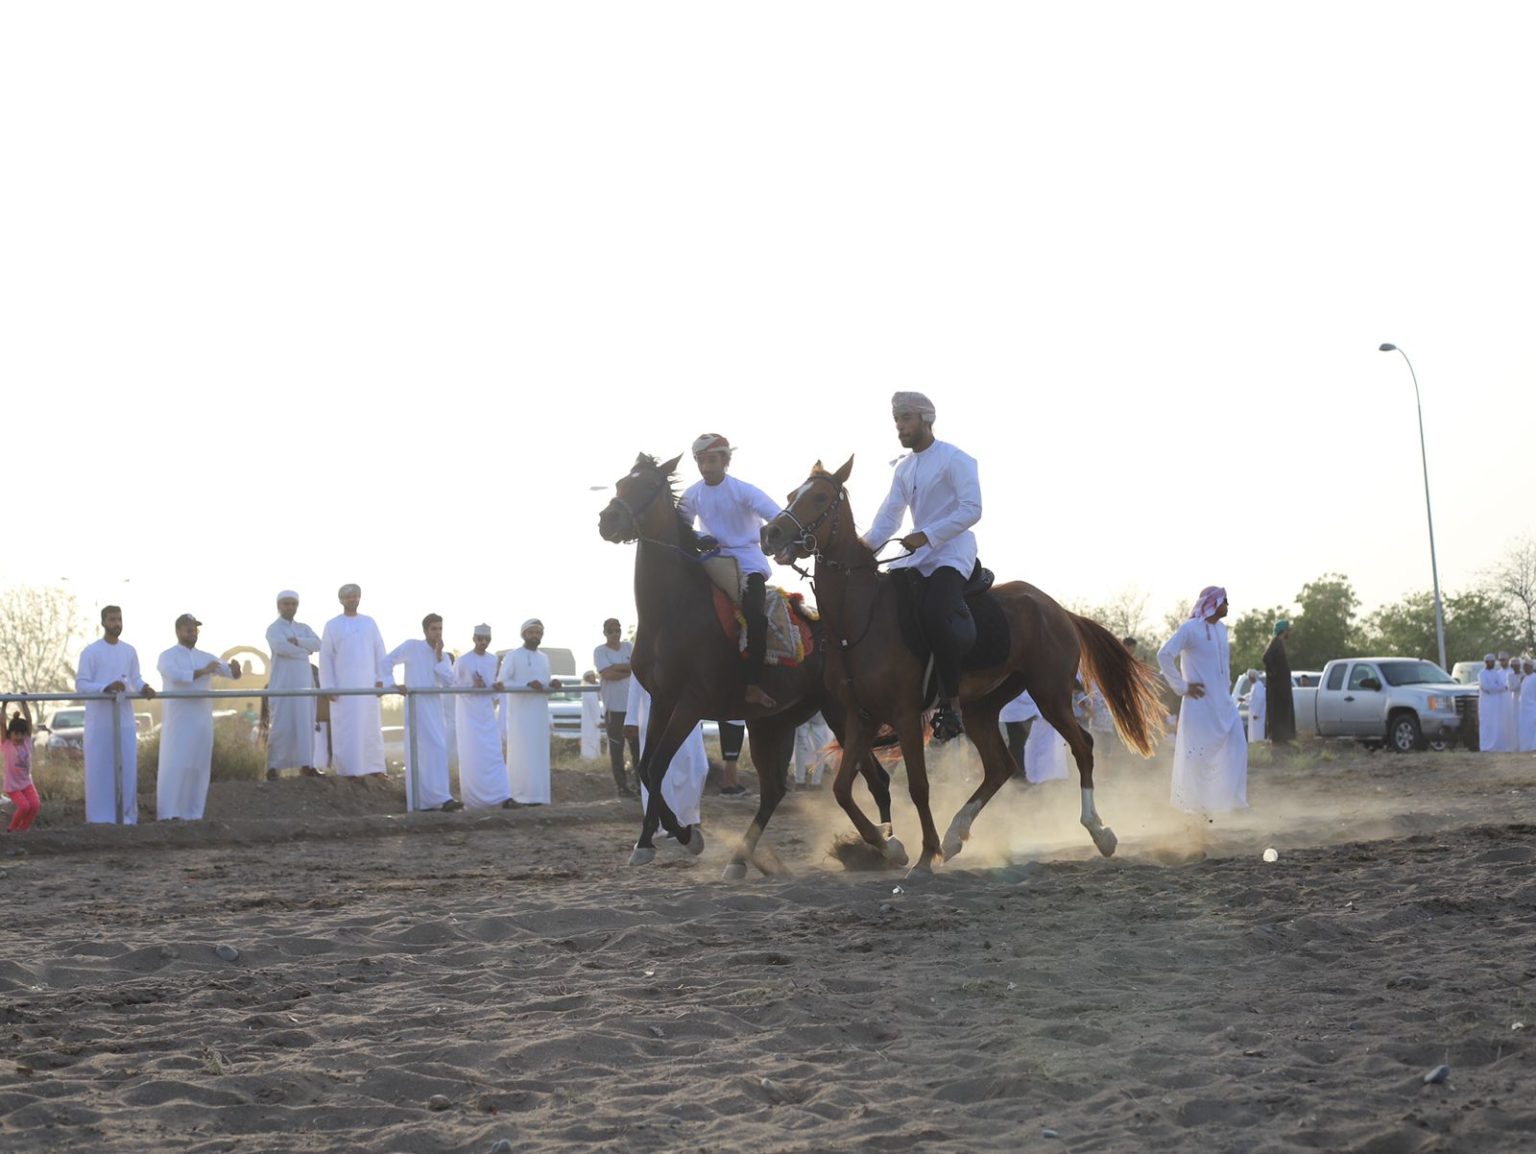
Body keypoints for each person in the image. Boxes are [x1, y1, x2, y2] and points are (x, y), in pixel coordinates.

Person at [861, 391, 982, 742]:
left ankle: (950, 704)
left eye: (906, 419)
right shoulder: (904, 468)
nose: (900, 426)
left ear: (926, 420)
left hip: (951, 553)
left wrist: (927, 534)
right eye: (897, 420)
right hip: (917, 555)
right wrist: (862, 550)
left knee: (933, 612)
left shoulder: (955, 458)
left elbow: (972, 508)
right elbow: (888, 518)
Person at [678, 433, 782, 708]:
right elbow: (680, 529)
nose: (705, 467)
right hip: (712, 562)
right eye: (700, 461)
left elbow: (778, 517)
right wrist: (700, 538)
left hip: (748, 563)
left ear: (725, 460)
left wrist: (775, 540)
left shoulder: (744, 491)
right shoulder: (692, 495)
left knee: (754, 617)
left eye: (711, 460)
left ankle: (753, 684)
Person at [1157, 586, 1248, 815]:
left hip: (1224, 703)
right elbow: (1164, 655)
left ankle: (1232, 801)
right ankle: (1196, 806)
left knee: (1238, 746)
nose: (1228, 605)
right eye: (1225, 600)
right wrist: (1182, 687)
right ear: (1213, 603)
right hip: (1199, 704)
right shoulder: (1190, 629)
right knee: (1198, 755)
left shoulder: (1222, 630)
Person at [156, 614, 242, 821]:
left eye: (195, 629)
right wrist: (204, 671)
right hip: (178, 722)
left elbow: (229, 673)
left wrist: (235, 670)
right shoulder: (167, 656)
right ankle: (169, 813)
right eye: (188, 629)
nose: (193, 633)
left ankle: (193, 814)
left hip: (201, 722)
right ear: (178, 631)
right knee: (175, 765)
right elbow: (176, 676)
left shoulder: (205, 656)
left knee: (199, 767)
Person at [76, 605, 156, 824]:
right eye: (112, 619)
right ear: (103, 622)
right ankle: (99, 820)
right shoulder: (91, 652)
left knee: (127, 770)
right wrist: (106, 687)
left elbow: (135, 678)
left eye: (119, 619)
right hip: (99, 724)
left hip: (125, 721)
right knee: (100, 772)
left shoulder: (129, 651)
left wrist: (144, 687)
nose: (117, 624)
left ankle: (126, 818)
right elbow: (81, 685)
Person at [385, 613, 460, 812]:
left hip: (434, 707)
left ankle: (441, 798)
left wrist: (439, 656)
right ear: (425, 630)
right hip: (416, 706)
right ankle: (422, 802)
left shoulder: (443, 656)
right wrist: (392, 684)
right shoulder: (412, 646)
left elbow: (449, 681)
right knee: (419, 752)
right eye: (434, 629)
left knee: (438, 750)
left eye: (440, 629)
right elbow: (387, 661)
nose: (438, 633)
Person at [319, 584, 388, 778]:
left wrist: (381, 679)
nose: (352, 599)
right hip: (343, 688)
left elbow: (379, 650)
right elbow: (326, 657)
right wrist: (328, 686)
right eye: (349, 596)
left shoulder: (369, 623)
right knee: (346, 729)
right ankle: (348, 770)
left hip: (367, 685)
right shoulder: (332, 625)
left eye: (355, 596)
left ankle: (374, 768)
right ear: (341, 600)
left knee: (370, 727)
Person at [625, 673, 708, 830]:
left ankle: (688, 817)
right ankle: (665, 824)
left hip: (688, 710)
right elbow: (636, 677)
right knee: (663, 772)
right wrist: (631, 718)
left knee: (699, 768)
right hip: (656, 713)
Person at [454, 625, 515, 809]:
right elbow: (453, 686)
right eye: (480, 639)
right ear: (473, 639)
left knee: (494, 754)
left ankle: (503, 797)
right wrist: (472, 686)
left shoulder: (492, 660)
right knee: (473, 756)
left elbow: (492, 691)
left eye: (486, 639)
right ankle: (474, 801)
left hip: (487, 714)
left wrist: (496, 687)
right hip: (469, 715)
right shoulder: (463, 661)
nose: (483, 642)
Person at [265, 590, 323, 780]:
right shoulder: (274, 629)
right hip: (282, 684)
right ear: (279, 606)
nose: (290, 607)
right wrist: (305, 651)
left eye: (293, 604)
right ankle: (273, 767)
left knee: (306, 723)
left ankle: (307, 765)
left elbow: (318, 644)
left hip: (304, 684)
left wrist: (298, 641)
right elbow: (281, 648)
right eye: (286, 604)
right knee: (281, 725)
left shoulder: (303, 628)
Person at [499, 619, 557, 805]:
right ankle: (519, 795)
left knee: (539, 753)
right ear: (523, 634)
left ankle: (539, 797)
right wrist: (526, 685)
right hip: (520, 715)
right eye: (531, 632)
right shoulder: (513, 656)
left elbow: (544, 684)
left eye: (538, 633)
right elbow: (502, 682)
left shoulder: (544, 657)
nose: (535, 636)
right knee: (521, 754)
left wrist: (552, 685)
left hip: (539, 713)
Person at [594, 618, 638, 796]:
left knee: (638, 749)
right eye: (611, 631)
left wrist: (616, 667)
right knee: (617, 749)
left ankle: (640, 785)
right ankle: (622, 787)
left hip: (633, 708)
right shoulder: (600, 651)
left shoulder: (628, 647)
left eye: (617, 630)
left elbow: (638, 666)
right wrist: (629, 670)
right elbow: (607, 675)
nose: (615, 634)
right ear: (604, 633)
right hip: (614, 708)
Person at [4, 704, 39, 833]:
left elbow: (29, 720)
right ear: (10, 734)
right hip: (12, 785)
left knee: (35, 805)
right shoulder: (6, 744)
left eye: (22, 734)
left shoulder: (27, 742)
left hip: (26, 783)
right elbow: (2, 723)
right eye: (16, 734)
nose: (19, 737)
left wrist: (24, 702)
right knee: (24, 806)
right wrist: (4, 705)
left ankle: (23, 830)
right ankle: (11, 829)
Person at [1262, 620, 1295, 746]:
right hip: (1277, 688)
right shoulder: (1275, 643)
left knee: (1283, 711)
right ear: (1283, 631)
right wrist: (1274, 675)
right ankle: (1277, 738)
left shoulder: (1279, 643)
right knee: (1278, 712)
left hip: (1281, 687)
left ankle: (1282, 738)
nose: (1288, 633)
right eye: (1287, 631)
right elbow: (1266, 658)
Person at [792, 712, 836, 789]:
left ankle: (802, 782)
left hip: (808, 715)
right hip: (813, 715)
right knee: (820, 750)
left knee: (803, 747)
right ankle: (811, 782)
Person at [1478, 653, 1511, 752]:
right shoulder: (1481, 673)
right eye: (1490, 662)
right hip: (1486, 704)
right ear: (1486, 662)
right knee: (1486, 724)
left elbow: (1502, 686)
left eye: (1493, 662)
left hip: (1496, 704)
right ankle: (1485, 746)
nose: (1492, 664)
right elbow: (1486, 687)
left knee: (1496, 724)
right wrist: (1497, 688)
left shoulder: (1496, 673)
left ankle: (1496, 745)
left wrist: (1495, 688)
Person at [717, 720, 748, 796]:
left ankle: (734, 783)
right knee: (731, 757)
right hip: (729, 722)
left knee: (734, 756)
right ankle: (727, 786)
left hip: (739, 722)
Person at [579, 671, 603, 761]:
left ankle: (590, 758)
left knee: (590, 738)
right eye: (592, 676)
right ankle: (591, 759)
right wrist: (598, 721)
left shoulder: (588, 688)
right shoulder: (589, 689)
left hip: (589, 720)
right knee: (592, 739)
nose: (594, 678)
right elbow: (593, 706)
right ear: (588, 678)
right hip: (592, 721)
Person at [1519, 657, 1536, 753]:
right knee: (1525, 728)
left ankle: (1533, 746)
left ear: (1531, 667)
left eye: (1526, 666)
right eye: (1524, 666)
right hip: (1523, 708)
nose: (1524, 668)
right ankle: (1526, 747)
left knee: (1533, 727)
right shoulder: (1524, 678)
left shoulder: (1535, 677)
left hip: (1533, 707)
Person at [1246, 671, 1267, 743]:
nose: (1249, 679)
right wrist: (1244, 700)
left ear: (1252, 677)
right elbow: (1252, 699)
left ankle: (1258, 743)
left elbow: (1260, 700)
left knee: (1258, 732)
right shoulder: (1254, 685)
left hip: (1257, 714)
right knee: (1253, 732)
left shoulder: (1258, 685)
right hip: (1253, 713)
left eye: (1249, 677)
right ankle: (1254, 743)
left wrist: (1256, 713)